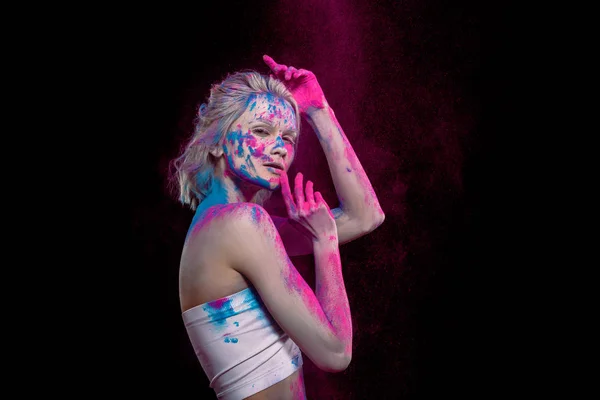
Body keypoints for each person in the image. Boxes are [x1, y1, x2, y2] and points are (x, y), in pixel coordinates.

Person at [169, 54, 385, 400]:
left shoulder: (225, 224)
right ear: (216, 141)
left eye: (288, 137)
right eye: (260, 130)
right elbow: (336, 354)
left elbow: (366, 216)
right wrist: (326, 244)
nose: (279, 148)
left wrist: (317, 108)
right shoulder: (241, 224)